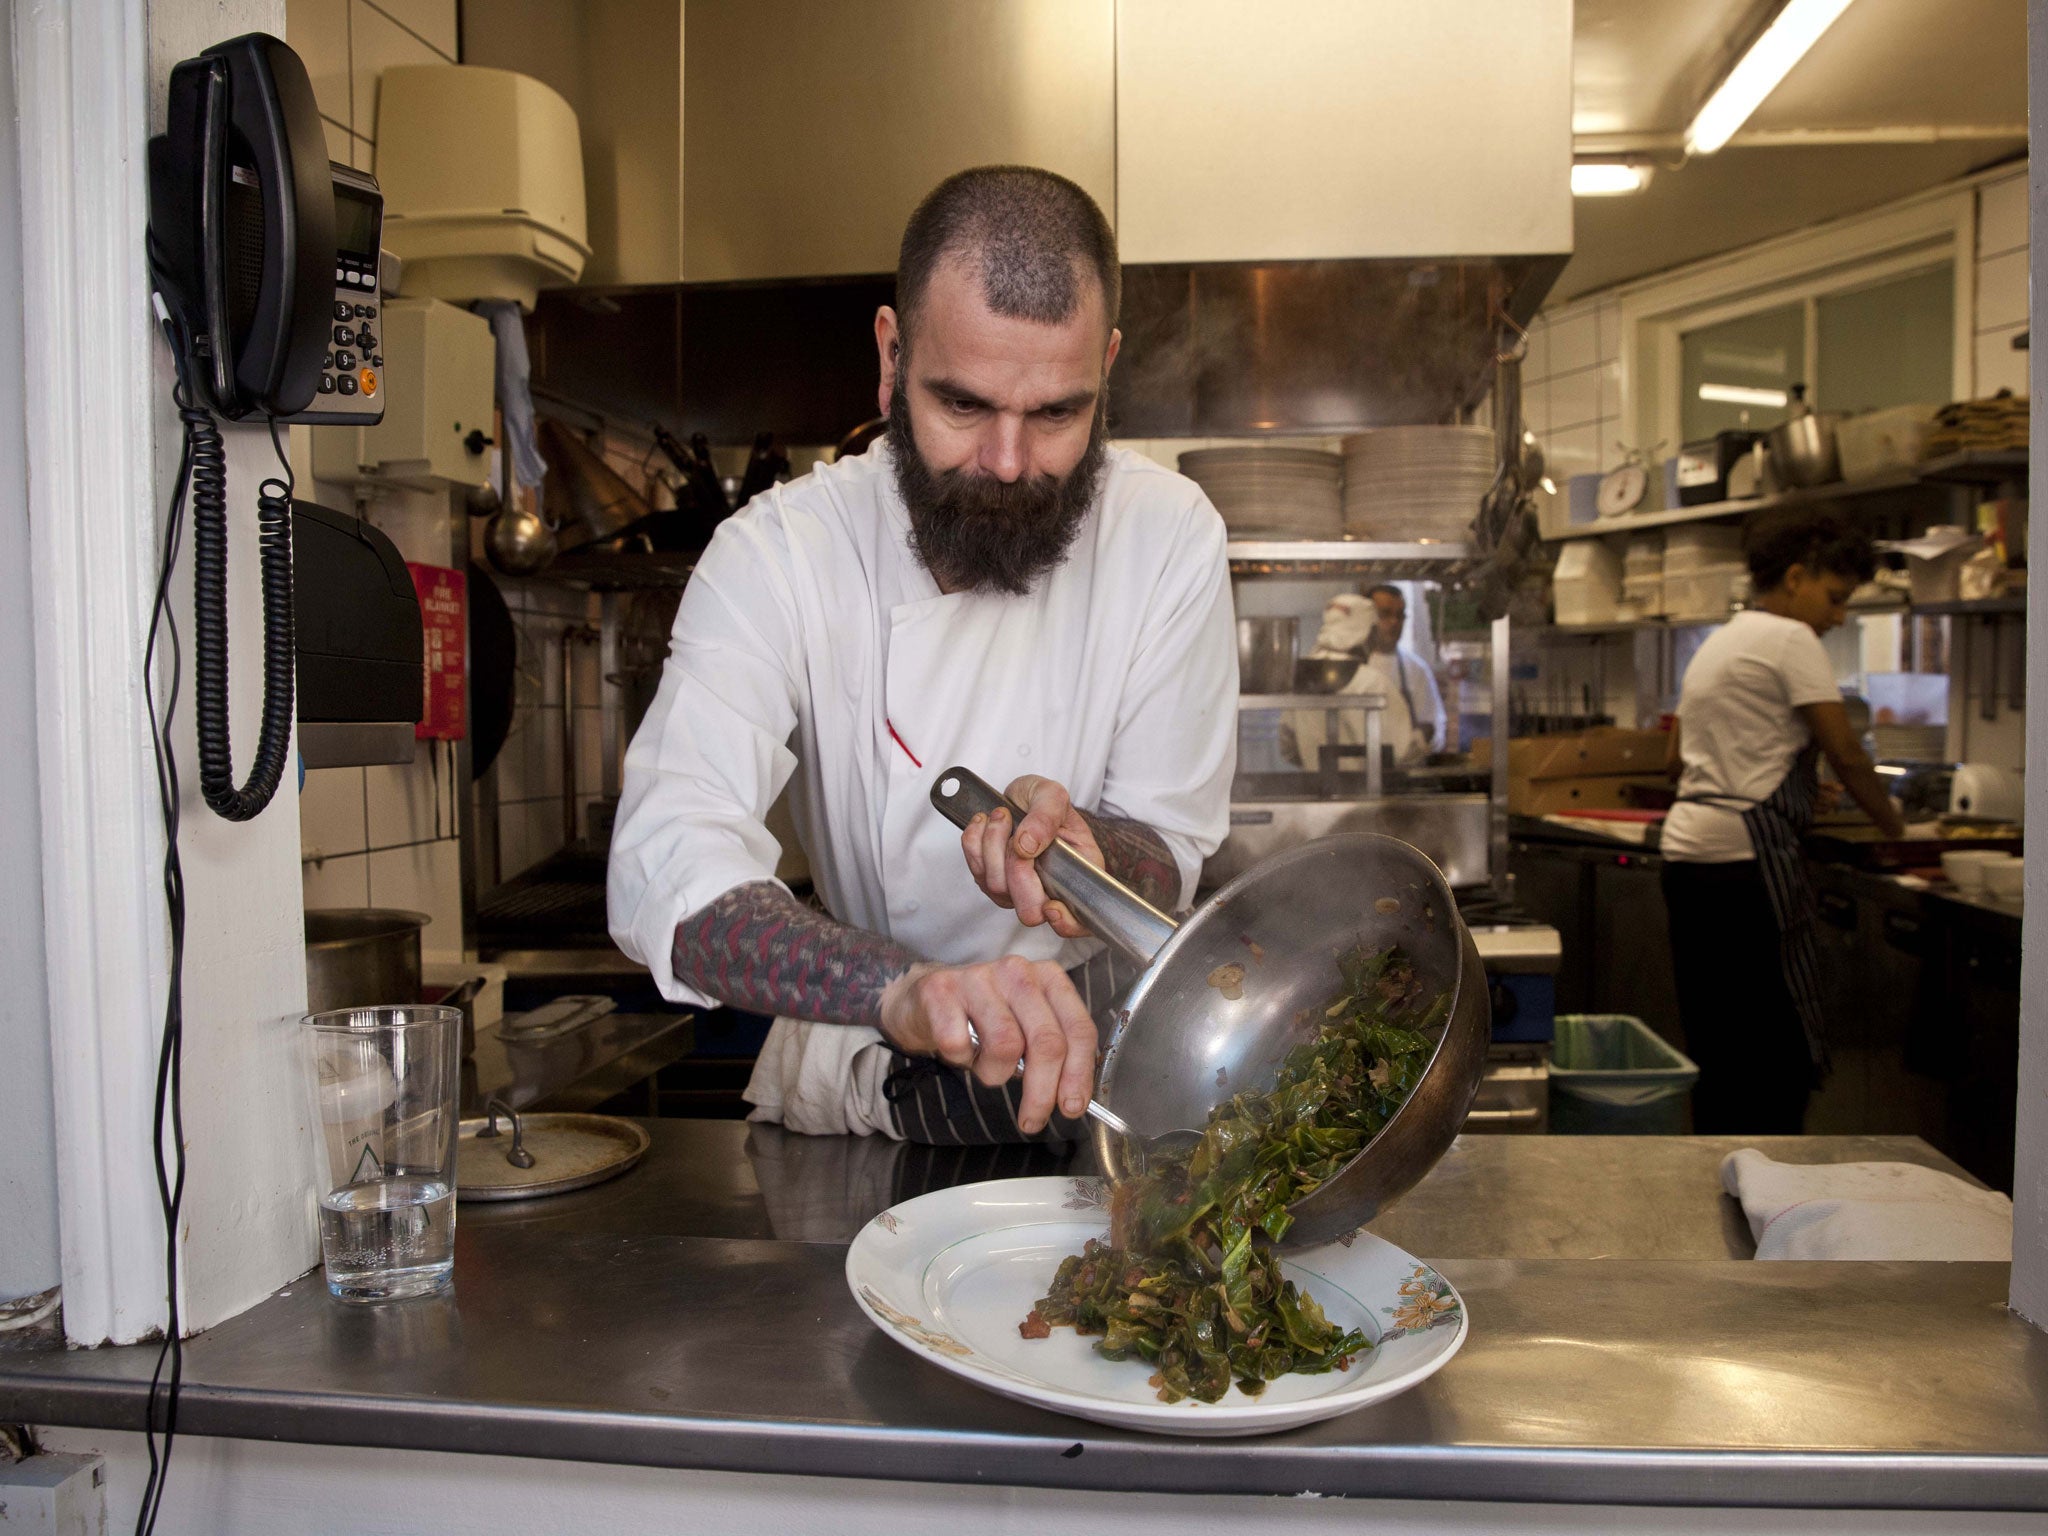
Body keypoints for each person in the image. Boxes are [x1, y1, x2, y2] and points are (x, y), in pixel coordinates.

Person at [607, 166, 1237, 1145]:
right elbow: (669, 862)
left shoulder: (1166, 536)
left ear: (1106, 368)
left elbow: (1166, 852)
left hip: (1101, 1081)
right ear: (891, 357)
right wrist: (900, 990)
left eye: (1057, 414)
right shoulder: (782, 553)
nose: (1007, 461)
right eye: (964, 405)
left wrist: (1093, 857)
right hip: (872, 1067)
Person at [1660, 506, 1906, 1134]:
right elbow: (1848, 753)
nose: (1839, 617)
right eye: (1835, 597)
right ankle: (1775, 1191)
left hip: (1689, 858)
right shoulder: (1791, 638)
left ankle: (1716, 1175)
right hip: (1745, 867)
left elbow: (1676, 760)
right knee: (1776, 1050)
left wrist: (1796, 788)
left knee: (1719, 1044)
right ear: (1795, 578)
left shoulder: (1722, 639)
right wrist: (1897, 828)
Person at [1285, 587, 1446, 773]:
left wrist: (1316, 763)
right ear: (1366, 632)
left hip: (1318, 790)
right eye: (1384, 615)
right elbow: (1401, 752)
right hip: (1368, 793)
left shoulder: (1303, 676)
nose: (1394, 623)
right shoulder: (1373, 682)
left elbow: (1288, 746)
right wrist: (1422, 735)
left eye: (1401, 616)